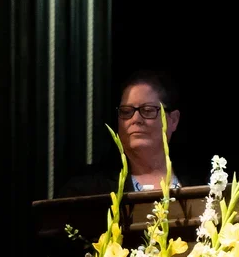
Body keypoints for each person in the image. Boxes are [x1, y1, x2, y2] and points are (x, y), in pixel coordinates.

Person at [59, 69, 198, 198]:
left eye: (148, 110)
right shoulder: (85, 190)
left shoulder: (205, 181)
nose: (136, 119)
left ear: (173, 120)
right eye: (126, 112)